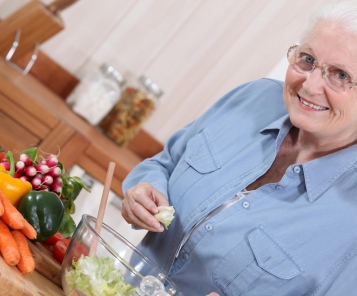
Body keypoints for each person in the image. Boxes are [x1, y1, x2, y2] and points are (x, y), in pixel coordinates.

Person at [121, 0, 357, 295]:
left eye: (341, 75)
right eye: (307, 59)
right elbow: (165, 163)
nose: (309, 86)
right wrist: (144, 189)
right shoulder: (251, 98)